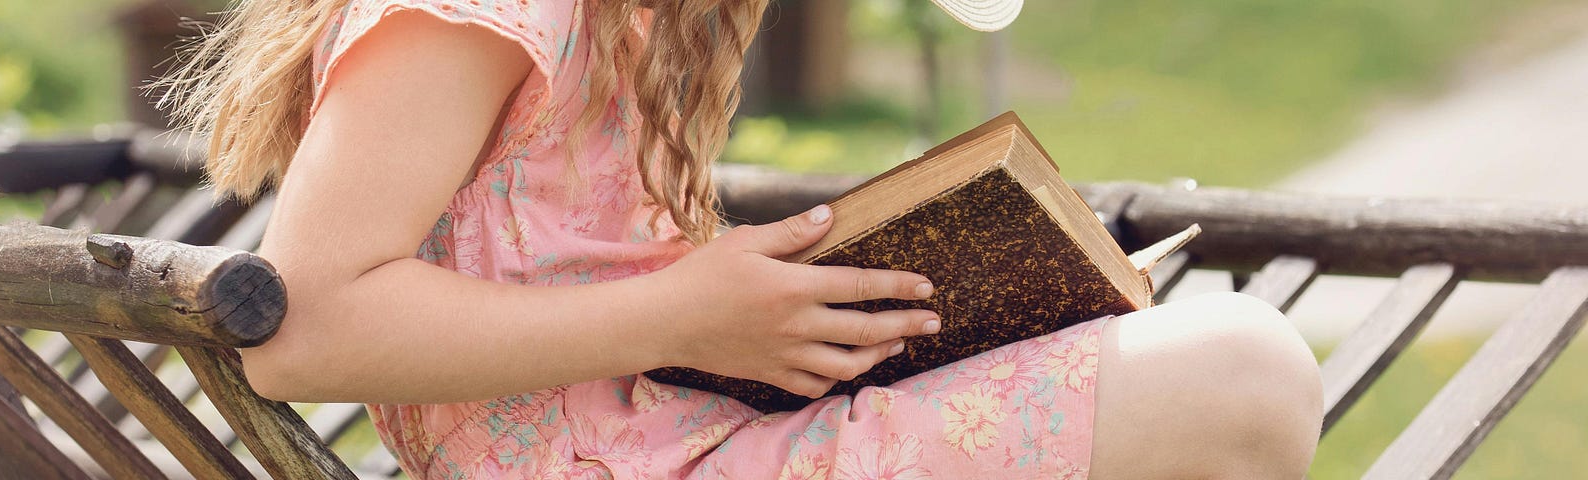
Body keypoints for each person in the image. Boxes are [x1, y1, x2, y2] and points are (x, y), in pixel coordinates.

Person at [159, 0, 1323, 478]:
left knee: (1217, 361)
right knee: (1243, 368)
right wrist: (682, 312)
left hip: (691, 438)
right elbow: (300, 327)